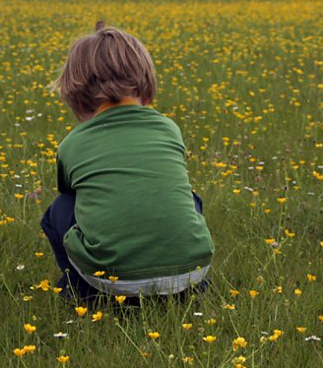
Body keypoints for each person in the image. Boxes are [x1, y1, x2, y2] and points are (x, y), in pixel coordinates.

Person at [40, 21, 214, 300]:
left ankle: (81, 289)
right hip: (193, 270)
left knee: (60, 209)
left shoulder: (74, 143)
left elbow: (69, 192)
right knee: (188, 198)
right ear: (144, 81)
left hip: (114, 281)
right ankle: (185, 289)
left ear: (76, 95)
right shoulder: (168, 128)